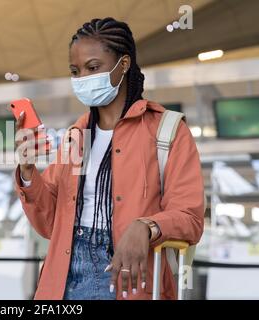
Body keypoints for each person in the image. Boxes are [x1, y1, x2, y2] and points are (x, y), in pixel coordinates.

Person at [13, 17, 204, 300]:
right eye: (75, 71)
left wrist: (147, 226)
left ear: (123, 65)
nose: (82, 79)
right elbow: (49, 224)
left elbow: (190, 219)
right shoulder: (77, 134)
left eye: (93, 68)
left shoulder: (168, 130)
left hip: (128, 275)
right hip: (62, 277)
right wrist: (28, 173)